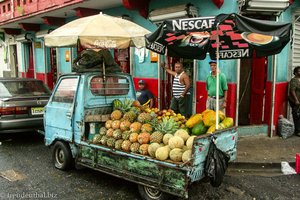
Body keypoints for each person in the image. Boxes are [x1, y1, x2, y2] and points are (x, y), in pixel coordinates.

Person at [288, 66, 300, 136]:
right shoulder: (294, 80)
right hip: (296, 101)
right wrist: (296, 100)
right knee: (296, 116)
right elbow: (292, 91)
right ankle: (297, 131)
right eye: (299, 71)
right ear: (295, 73)